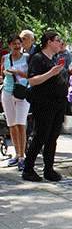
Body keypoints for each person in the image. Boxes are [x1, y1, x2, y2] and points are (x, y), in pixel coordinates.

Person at [23, 31, 69, 182]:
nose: (60, 43)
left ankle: (48, 169)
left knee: (52, 137)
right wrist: (50, 73)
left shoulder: (55, 58)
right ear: (49, 42)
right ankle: (28, 168)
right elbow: (32, 80)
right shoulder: (38, 58)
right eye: (58, 40)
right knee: (40, 136)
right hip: (43, 103)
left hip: (58, 102)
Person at [1, 34, 30, 169]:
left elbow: (31, 75)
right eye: (14, 44)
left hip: (22, 93)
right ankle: (17, 154)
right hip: (8, 92)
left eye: (19, 43)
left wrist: (18, 73)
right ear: (9, 46)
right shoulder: (5, 58)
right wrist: (7, 72)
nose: (17, 46)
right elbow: (3, 73)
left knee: (20, 125)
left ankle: (23, 157)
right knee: (12, 125)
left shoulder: (27, 58)